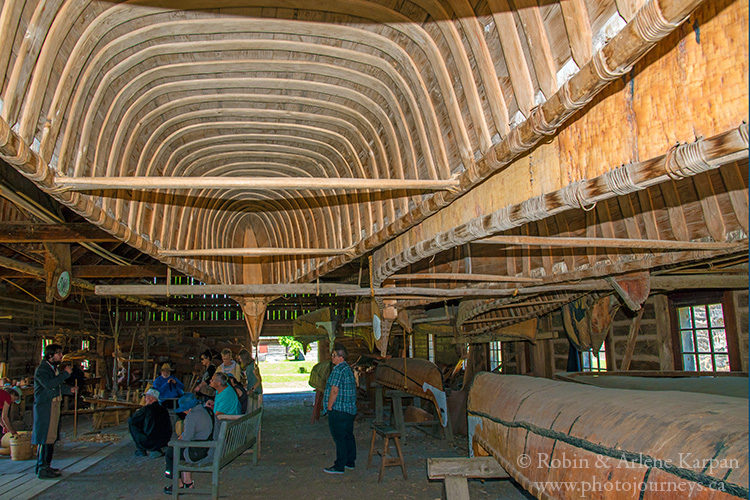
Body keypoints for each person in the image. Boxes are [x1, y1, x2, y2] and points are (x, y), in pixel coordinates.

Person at [33, 343, 76, 479]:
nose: (61, 356)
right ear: (50, 355)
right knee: (45, 437)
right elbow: (49, 384)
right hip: (45, 407)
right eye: (58, 353)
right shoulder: (42, 370)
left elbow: (56, 385)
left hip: (53, 405)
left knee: (51, 437)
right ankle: (42, 468)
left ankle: (46, 465)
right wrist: (65, 374)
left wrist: (69, 390)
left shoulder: (52, 368)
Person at [164, 393, 215, 494]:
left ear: (188, 409)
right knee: (181, 451)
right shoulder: (206, 410)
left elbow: (186, 438)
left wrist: (176, 442)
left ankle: (178, 483)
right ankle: (188, 482)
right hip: (211, 447)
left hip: (201, 451)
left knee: (171, 452)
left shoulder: (191, 416)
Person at [322, 344, 357, 474]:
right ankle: (350, 461)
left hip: (339, 410)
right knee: (348, 435)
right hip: (349, 410)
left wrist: (329, 406)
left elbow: (334, 390)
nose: (332, 357)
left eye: (334, 355)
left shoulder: (338, 370)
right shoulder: (347, 369)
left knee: (340, 437)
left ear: (341, 357)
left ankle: (339, 466)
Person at [128, 388, 172, 458]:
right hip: (165, 440)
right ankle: (160, 448)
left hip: (151, 441)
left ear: (150, 398)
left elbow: (133, 420)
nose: (145, 398)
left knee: (132, 424)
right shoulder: (163, 409)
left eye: (146, 397)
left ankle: (141, 449)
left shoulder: (146, 409)